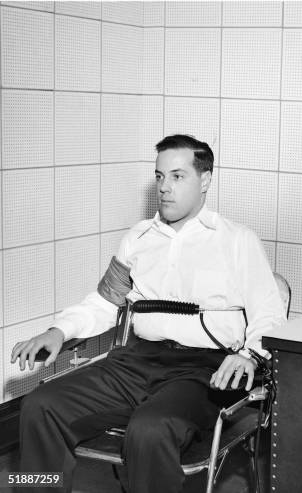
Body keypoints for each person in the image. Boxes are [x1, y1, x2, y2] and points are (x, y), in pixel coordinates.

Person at [11, 134, 286, 493]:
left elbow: (269, 313)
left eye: (177, 176)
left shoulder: (236, 240)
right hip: (136, 361)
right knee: (39, 405)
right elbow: (106, 301)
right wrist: (58, 332)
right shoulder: (138, 238)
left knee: (150, 429)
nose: (164, 188)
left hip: (204, 370)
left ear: (205, 180)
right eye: (159, 177)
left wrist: (248, 356)